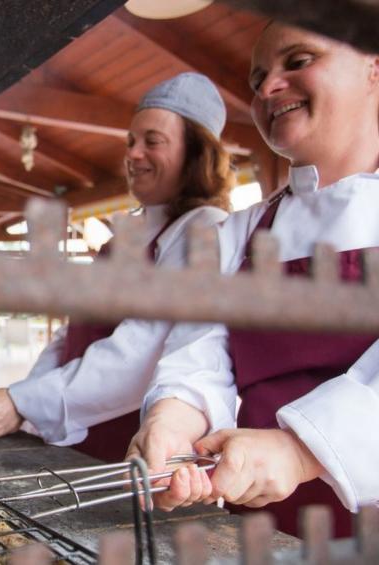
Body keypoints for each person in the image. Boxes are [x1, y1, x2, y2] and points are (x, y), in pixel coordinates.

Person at [128, 21, 379, 539]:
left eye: (299, 61)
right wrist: (173, 420)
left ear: (373, 64)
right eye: (258, 76)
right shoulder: (240, 231)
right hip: (265, 524)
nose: (266, 89)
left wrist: (302, 449)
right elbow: (200, 350)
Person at [0, 73, 234, 462]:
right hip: (77, 440)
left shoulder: (204, 231)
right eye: (131, 142)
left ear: (195, 154)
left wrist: (22, 402)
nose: (133, 154)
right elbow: (73, 333)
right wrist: (19, 399)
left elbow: (140, 352)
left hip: (124, 449)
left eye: (152, 141)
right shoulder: (128, 236)